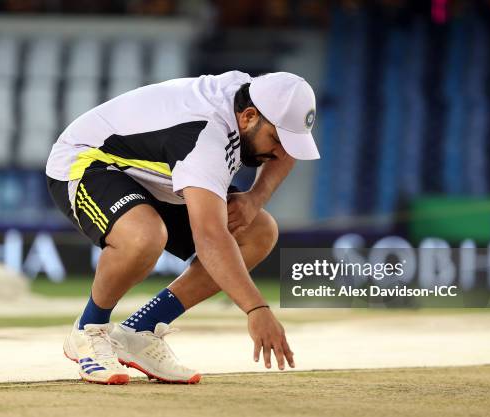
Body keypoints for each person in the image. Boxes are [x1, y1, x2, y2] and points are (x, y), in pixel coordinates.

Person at [45, 71, 320, 385]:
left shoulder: (254, 98)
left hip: (154, 175)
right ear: (248, 117)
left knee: (257, 232)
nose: (279, 150)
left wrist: (255, 199)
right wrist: (256, 309)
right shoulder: (205, 136)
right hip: (88, 162)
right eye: (276, 138)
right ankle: (88, 331)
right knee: (143, 237)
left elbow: (287, 150)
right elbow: (211, 239)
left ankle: (141, 331)